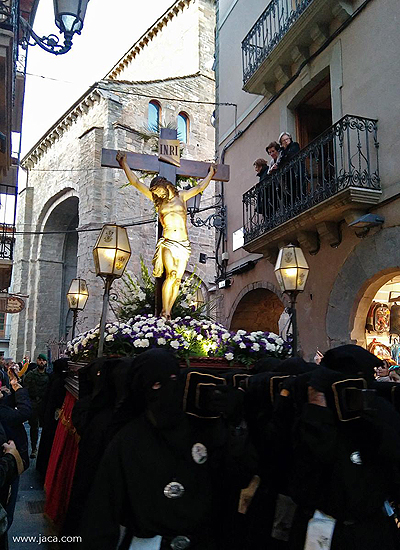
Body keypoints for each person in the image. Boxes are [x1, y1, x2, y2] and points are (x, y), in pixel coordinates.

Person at [82, 349, 256, 550]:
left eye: (174, 379)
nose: (167, 390)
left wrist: (236, 423)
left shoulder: (201, 431)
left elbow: (237, 476)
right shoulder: (127, 440)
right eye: (156, 384)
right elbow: (102, 511)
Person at [288, 345, 400, 550]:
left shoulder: (379, 411)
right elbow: (310, 463)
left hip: (371, 528)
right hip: (325, 527)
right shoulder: (312, 414)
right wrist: (317, 408)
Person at [116, 151, 217, 319]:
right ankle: (165, 312)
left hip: (183, 244)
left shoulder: (182, 196)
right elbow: (135, 182)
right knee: (170, 275)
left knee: (177, 279)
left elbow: (199, 188)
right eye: (155, 192)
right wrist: (124, 164)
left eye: (159, 191)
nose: (159, 195)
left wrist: (211, 173)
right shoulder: (158, 202)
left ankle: (169, 310)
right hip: (168, 242)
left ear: (165, 185)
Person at [22, 354, 50, 458]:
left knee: (45, 427)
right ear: (37, 361)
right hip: (33, 403)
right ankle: (34, 448)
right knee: (34, 427)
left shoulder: (49, 375)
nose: (42, 362)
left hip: (44, 404)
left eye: (44, 360)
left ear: (46, 362)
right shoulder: (31, 375)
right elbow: (25, 389)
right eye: (40, 360)